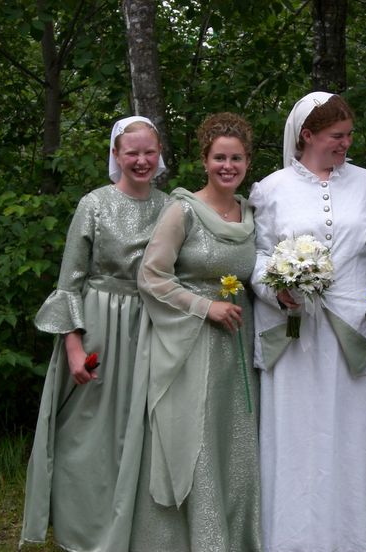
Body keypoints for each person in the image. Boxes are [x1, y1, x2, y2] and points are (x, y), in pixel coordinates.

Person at [250, 92, 366, 551]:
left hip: (354, 330)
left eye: (349, 135)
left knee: (354, 438)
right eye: (337, 136)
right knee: (297, 439)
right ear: (307, 135)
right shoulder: (270, 190)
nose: (346, 143)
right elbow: (256, 256)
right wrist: (277, 289)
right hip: (295, 332)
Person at [20, 116, 168, 551]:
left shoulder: (170, 206)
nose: (141, 160)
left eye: (149, 152)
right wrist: (73, 345)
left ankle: (135, 531)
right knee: (88, 433)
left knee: (141, 428)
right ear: (116, 155)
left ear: (160, 154)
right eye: (132, 152)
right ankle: (81, 532)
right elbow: (70, 283)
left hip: (152, 325)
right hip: (99, 326)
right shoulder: (95, 204)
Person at [130, 112, 261, 551]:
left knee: (236, 444)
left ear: (247, 163)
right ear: (205, 160)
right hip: (191, 343)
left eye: (237, 158)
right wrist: (205, 307)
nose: (228, 166)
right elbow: (151, 276)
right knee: (198, 438)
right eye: (219, 157)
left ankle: (236, 538)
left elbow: (258, 273)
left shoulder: (251, 213)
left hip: (239, 344)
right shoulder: (181, 210)